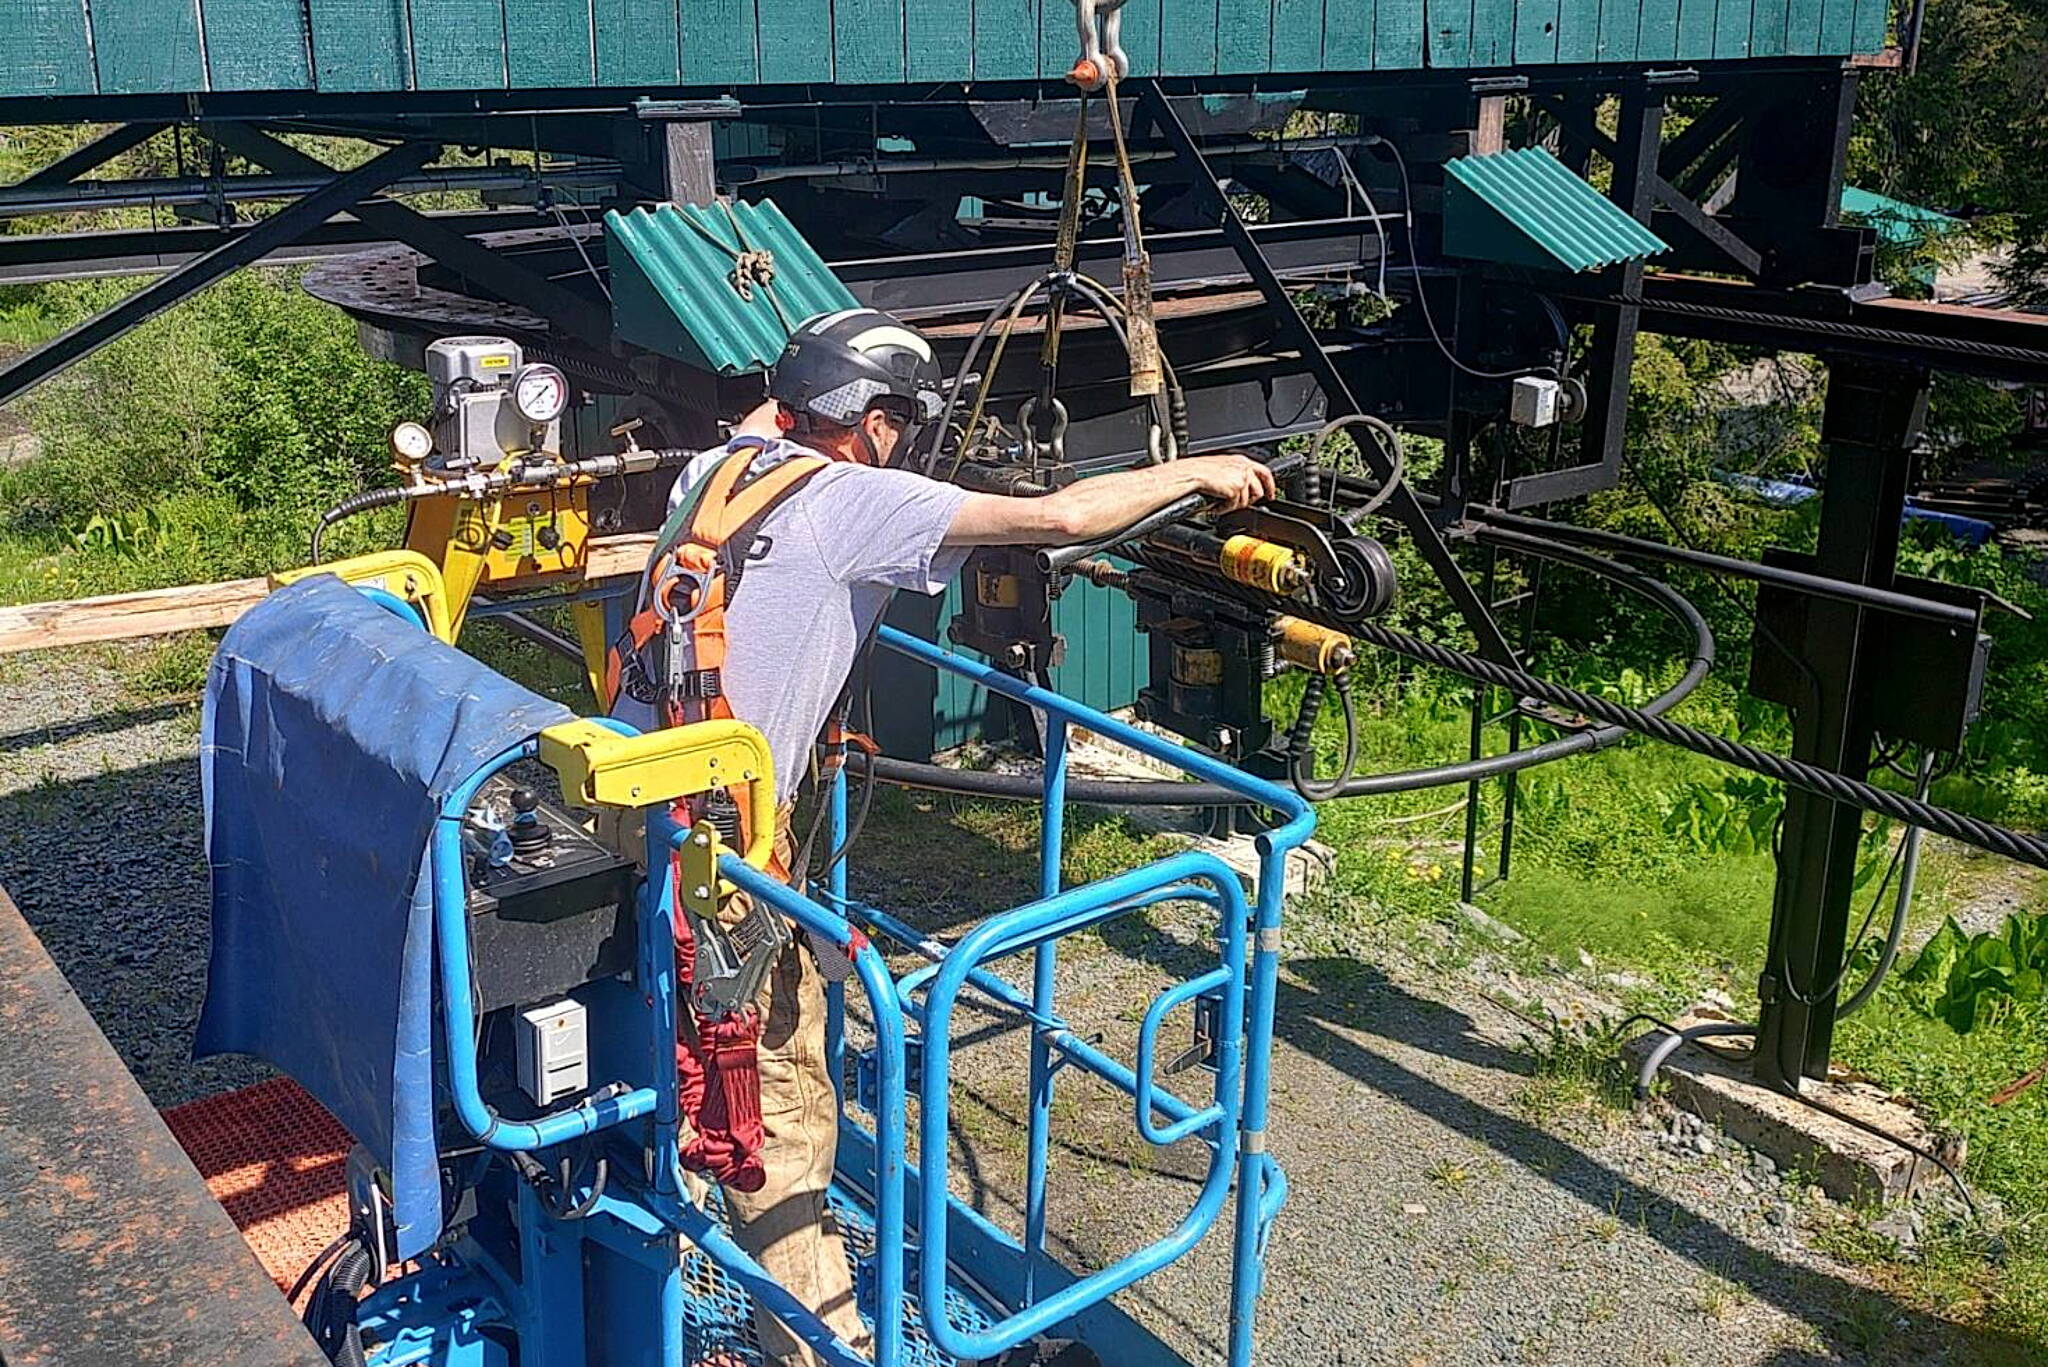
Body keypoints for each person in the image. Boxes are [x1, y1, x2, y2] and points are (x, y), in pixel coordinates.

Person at [620, 307, 1274, 1367]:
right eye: (899, 421)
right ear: (871, 421)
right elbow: (1060, 515)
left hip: (647, 818)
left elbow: (763, 417)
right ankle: (814, 1345)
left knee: (741, 1051)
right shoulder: (854, 499)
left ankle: (707, 1241)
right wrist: (1194, 470)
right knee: (777, 1113)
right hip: (725, 869)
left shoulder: (713, 471)